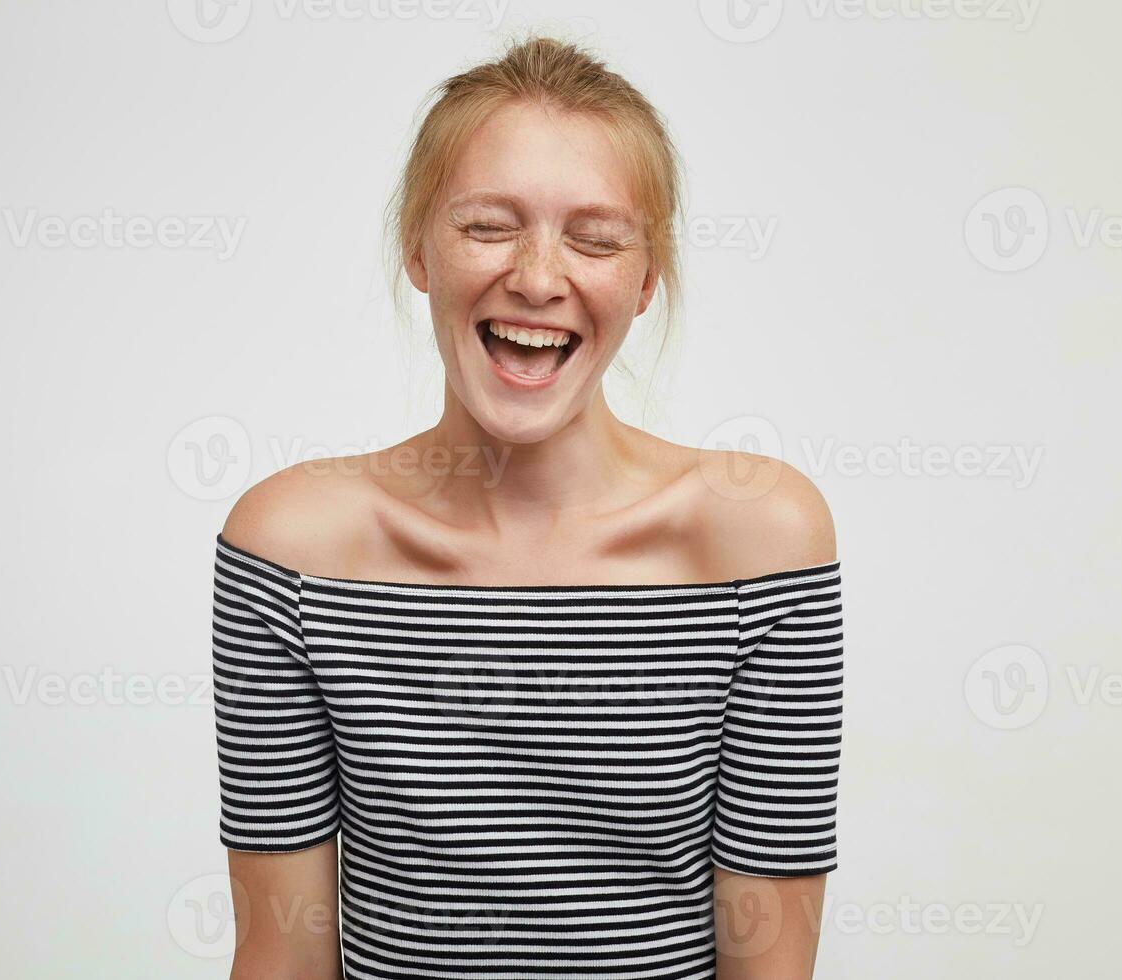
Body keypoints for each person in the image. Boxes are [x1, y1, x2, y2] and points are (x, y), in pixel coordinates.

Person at [211, 33, 844, 980]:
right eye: (487, 226)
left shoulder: (758, 541)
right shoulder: (291, 552)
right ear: (417, 249)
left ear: (645, 279)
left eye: (595, 238)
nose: (540, 277)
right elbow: (282, 956)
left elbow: (772, 962)